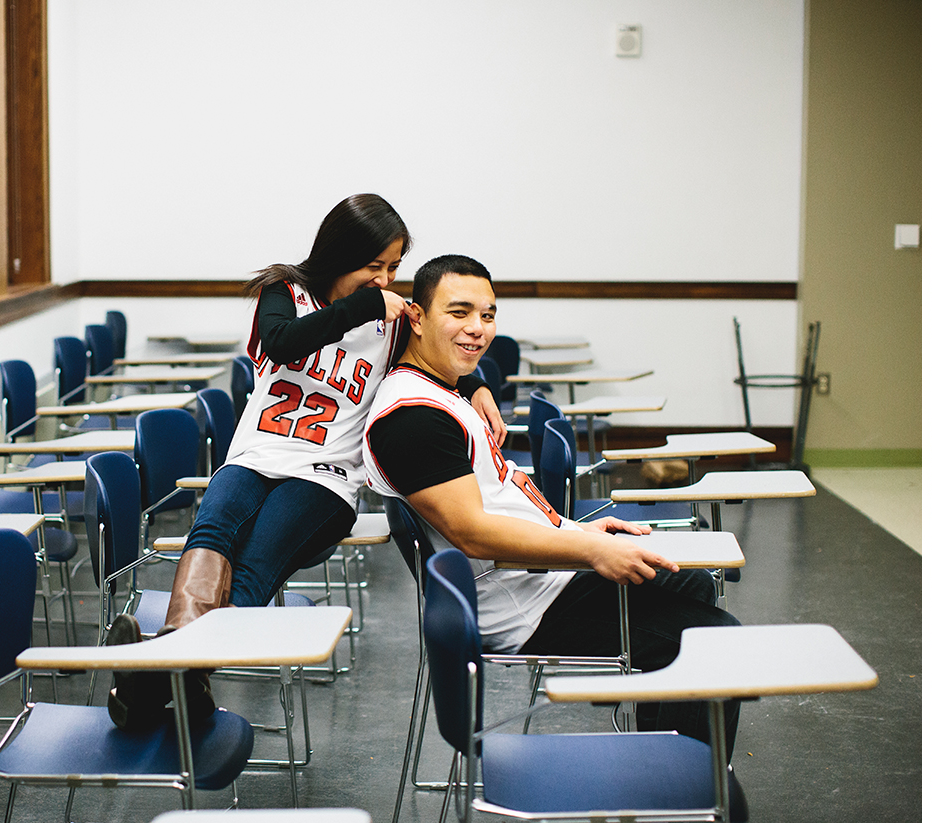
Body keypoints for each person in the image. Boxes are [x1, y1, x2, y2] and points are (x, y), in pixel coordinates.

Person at [107, 194, 504, 729]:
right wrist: (359, 308)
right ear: (340, 255)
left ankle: (156, 669)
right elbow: (281, 344)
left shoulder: (390, 316)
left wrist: (477, 387)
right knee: (214, 525)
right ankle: (184, 675)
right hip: (256, 454)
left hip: (327, 476)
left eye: (393, 268)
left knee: (256, 562)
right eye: (374, 267)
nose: (385, 280)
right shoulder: (286, 292)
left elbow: (437, 344)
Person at [360, 253, 743, 755]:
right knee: (712, 638)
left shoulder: (444, 390)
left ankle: (658, 750)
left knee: (689, 581)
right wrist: (588, 552)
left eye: (489, 314)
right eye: (459, 312)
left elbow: (499, 504)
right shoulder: (412, 419)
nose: (478, 328)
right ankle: (686, 789)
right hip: (526, 605)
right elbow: (473, 534)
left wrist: (581, 531)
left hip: (538, 575)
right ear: (416, 316)